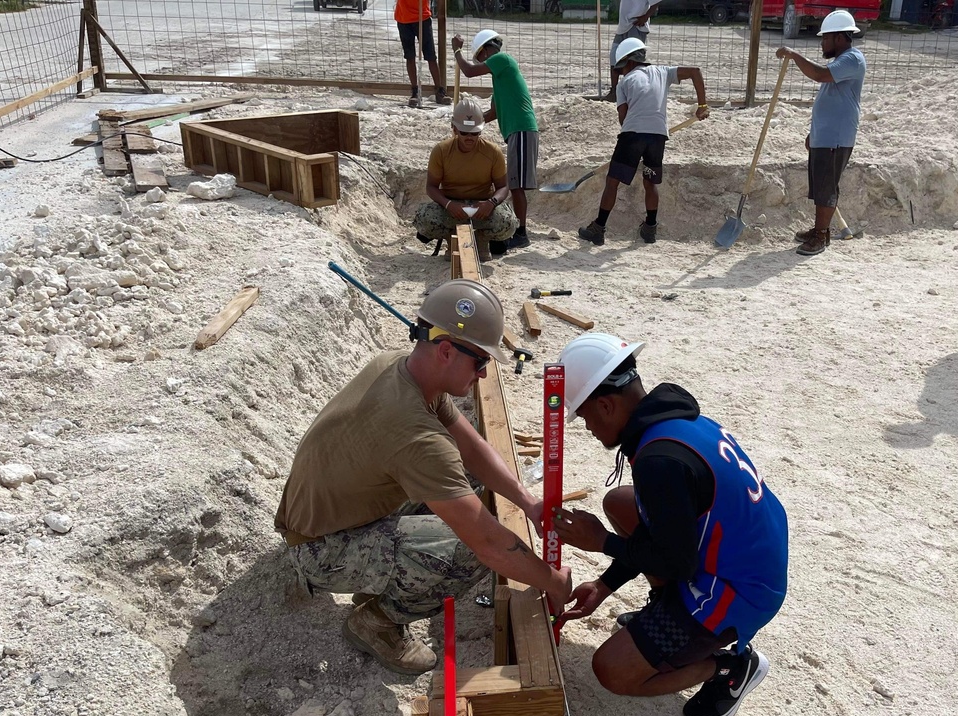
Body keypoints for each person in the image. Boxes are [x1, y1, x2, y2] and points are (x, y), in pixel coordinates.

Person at [276, 279, 572, 675]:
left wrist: (526, 500)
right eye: (480, 361)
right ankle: (377, 621)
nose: (483, 374)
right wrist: (554, 582)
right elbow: (488, 545)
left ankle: (382, 573)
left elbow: (471, 448)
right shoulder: (414, 433)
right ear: (447, 351)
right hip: (318, 549)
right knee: (470, 550)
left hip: (327, 515)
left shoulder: (404, 368)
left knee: (469, 481)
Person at [550, 332, 788, 716]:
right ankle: (665, 611)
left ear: (606, 404)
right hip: (745, 559)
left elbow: (676, 562)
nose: (587, 427)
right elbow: (663, 533)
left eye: (585, 416)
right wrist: (606, 585)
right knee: (619, 502)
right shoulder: (677, 423)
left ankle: (729, 668)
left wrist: (602, 543)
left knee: (612, 670)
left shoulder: (658, 461)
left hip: (737, 591)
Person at [579, 39, 708, 246]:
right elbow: (695, 71)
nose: (620, 72)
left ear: (628, 62)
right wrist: (702, 105)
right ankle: (650, 228)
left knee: (613, 182)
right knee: (650, 182)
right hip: (657, 137)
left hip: (633, 135)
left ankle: (598, 228)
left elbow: (623, 118)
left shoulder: (624, 83)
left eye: (621, 67)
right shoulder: (664, 72)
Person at [777, 10, 866, 256]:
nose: (822, 43)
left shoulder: (852, 59)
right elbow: (828, 96)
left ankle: (821, 235)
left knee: (826, 187)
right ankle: (820, 229)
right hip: (825, 136)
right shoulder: (841, 62)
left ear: (838, 37)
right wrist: (813, 134)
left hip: (836, 138)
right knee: (820, 186)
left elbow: (819, 75)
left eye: (825, 38)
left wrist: (795, 55)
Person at [451, 29, 538, 250]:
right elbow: (493, 113)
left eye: (480, 57)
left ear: (488, 50)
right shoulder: (501, 80)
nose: (481, 62)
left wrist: (457, 51)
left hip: (522, 129)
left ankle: (521, 232)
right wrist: (467, 126)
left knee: (515, 186)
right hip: (515, 132)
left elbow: (469, 72)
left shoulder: (502, 59)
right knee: (515, 183)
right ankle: (519, 231)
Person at [414, 98, 518, 257]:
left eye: (475, 133)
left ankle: (481, 240)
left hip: (483, 208)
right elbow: (431, 187)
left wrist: (490, 204)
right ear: (454, 129)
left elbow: (503, 187)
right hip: (451, 208)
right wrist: (449, 205)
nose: (469, 138)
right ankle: (451, 238)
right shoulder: (441, 151)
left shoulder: (492, 152)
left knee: (508, 223)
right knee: (424, 219)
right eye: (464, 133)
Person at [395, 0, 452, 107]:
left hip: (423, 17)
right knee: (410, 56)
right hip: (404, 18)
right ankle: (415, 91)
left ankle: (439, 91)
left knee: (431, 56)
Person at [607, 1, 661, 101]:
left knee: (634, 61)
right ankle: (614, 91)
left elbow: (656, 2)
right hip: (623, 27)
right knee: (614, 57)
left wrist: (645, 17)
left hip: (637, 26)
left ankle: (632, 92)